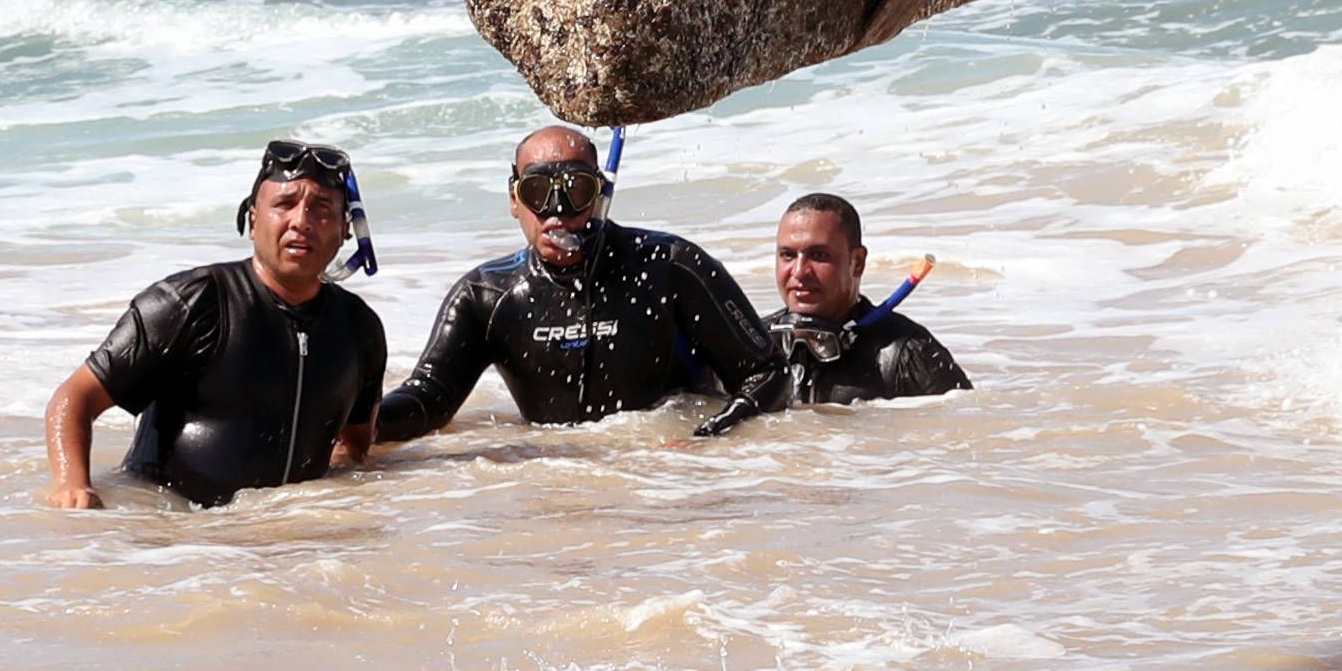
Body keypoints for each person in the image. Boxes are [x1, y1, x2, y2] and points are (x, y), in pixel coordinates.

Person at [375, 124, 785, 444]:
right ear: (514, 200)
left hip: (669, 482)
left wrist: (707, 440)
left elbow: (768, 373)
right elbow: (429, 397)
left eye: (576, 190)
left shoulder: (670, 267)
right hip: (559, 487)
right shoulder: (486, 297)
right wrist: (360, 422)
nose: (557, 212)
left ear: (600, 196)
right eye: (537, 191)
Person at [43, 140, 386, 509]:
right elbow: (76, 398)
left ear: (344, 229)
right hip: (174, 536)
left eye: (321, 209)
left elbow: (352, 443)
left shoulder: (357, 327)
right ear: (253, 220)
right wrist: (72, 487)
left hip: (291, 536)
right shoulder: (192, 302)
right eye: (284, 205)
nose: (301, 221)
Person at [767, 192, 970, 406]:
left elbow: (969, 430)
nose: (799, 271)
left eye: (819, 255)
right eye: (787, 255)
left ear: (858, 262)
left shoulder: (907, 354)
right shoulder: (754, 345)